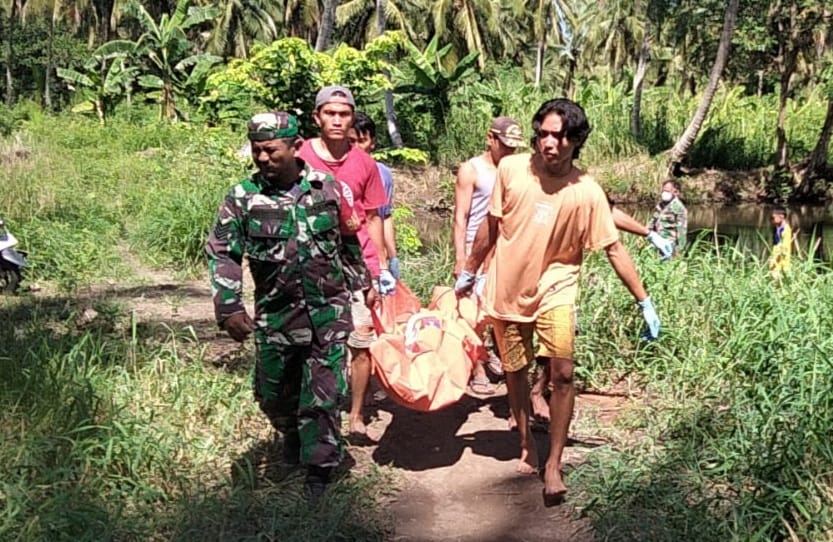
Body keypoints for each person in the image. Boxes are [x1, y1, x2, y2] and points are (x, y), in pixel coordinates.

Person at [455, 98, 661, 507]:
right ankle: (527, 441)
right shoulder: (512, 170)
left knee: (562, 371)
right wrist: (470, 269)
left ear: (576, 140)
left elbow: (614, 249)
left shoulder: (586, 191)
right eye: (543, 134)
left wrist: (644, 300)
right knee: (515, 369)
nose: (549, 143)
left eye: (559, 135)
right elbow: (489, 226)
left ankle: (553, 463)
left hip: (557, 288)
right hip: (508, 289)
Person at [205, 111, 372, 504]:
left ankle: (320, 468)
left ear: (296, 148)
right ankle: (292, 435)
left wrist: (363, 284)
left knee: (323, 394)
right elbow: (223, 252)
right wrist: (228, 305)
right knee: (273, 392)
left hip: (327, 312)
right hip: (277, 314)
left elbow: (347, 239)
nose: (263, 158)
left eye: (271, 150)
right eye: (257, 150)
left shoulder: (327, 188)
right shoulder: (242, 197)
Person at [298, 85, 394, 437]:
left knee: (360, 339)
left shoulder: (365, 164)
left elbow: (373, 219)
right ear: (317, 117)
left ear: (352, 119)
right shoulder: (300, 155)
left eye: (344, 114)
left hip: (354, 262)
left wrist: (379, 271)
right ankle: (316, 414)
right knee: (312, 341)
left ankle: (355, 415)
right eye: (330, 113)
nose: (337, 120)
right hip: (308, 260)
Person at [453, 117, 524, 396]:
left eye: (513, 148)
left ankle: (502, 361)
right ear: (490, 139)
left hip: (505, 248)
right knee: (473, 312)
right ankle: (478, 368)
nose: (509, 152)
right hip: (475, 245)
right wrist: (461, 259)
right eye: (505, 146)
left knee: (499, 309)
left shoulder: (518, 170)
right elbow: (461, 216)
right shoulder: (472, 170)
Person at [348, 112, 399, 281]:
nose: (356, 148)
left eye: (362, 141)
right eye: (351, 142)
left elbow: (383, 217)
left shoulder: (383, 174)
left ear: (372, 143)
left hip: (376, 258)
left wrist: (392, 259)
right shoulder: (337, 175)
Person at [647, 180, 688, 256]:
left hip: (670, 243)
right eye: (663, 190)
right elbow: (652, 222)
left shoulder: (679, 208)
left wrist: (680, 249)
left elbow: (681, 230)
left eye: (667, 191)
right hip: (657, 241)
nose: (664, 193)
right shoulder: (660, 205)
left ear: (675, 192)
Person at [769, 206, 792, 280]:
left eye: (773, 218)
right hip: (775, 258)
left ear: (781, 216)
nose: (772, 220)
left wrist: (775, 258)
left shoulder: (786, 230)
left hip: (782, 260)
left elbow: (784, 247)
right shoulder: (777, 228)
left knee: (780, 279)